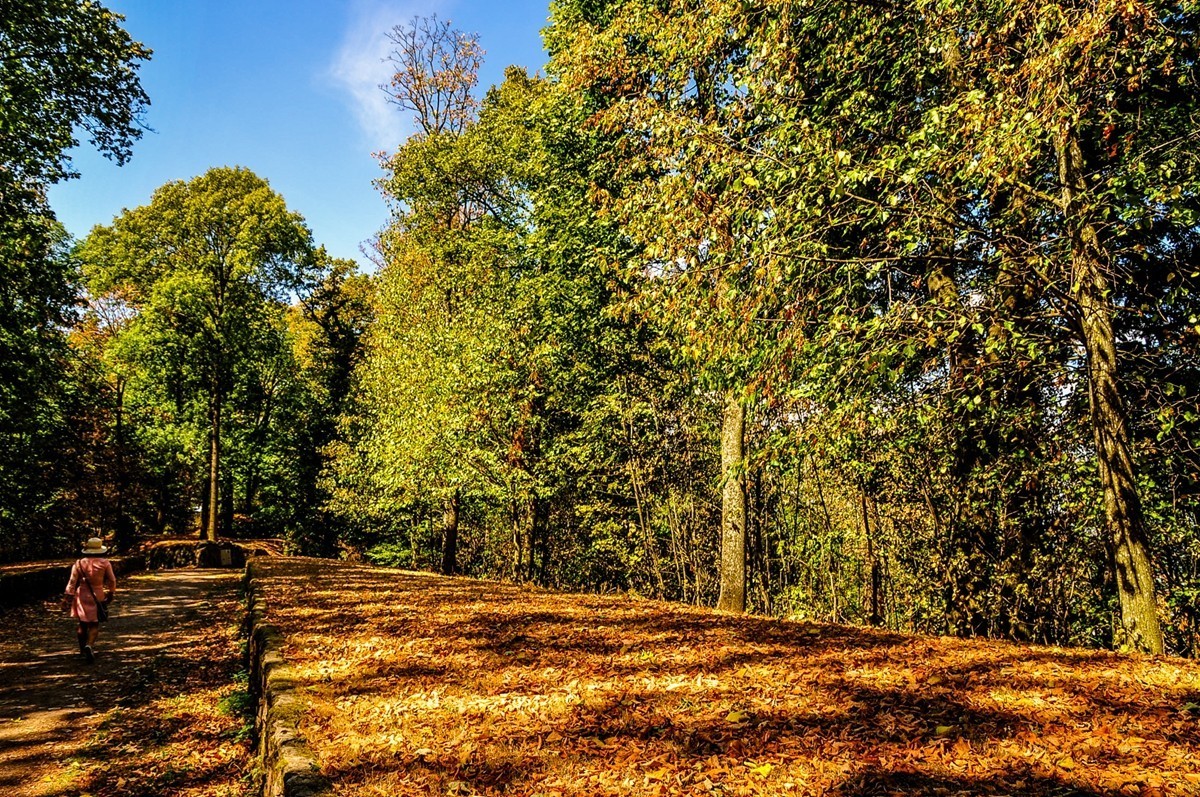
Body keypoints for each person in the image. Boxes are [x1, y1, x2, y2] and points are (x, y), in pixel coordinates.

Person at [62, 537, 117, 664]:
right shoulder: (105, 563)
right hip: (97, 595)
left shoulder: (79, 563)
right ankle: (89, 645)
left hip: (81, 594)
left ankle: (82, 649)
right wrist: (111, 592)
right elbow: (112, 580)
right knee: (94, 624)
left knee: (82, 623)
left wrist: (67, 598)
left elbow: (72, 582)